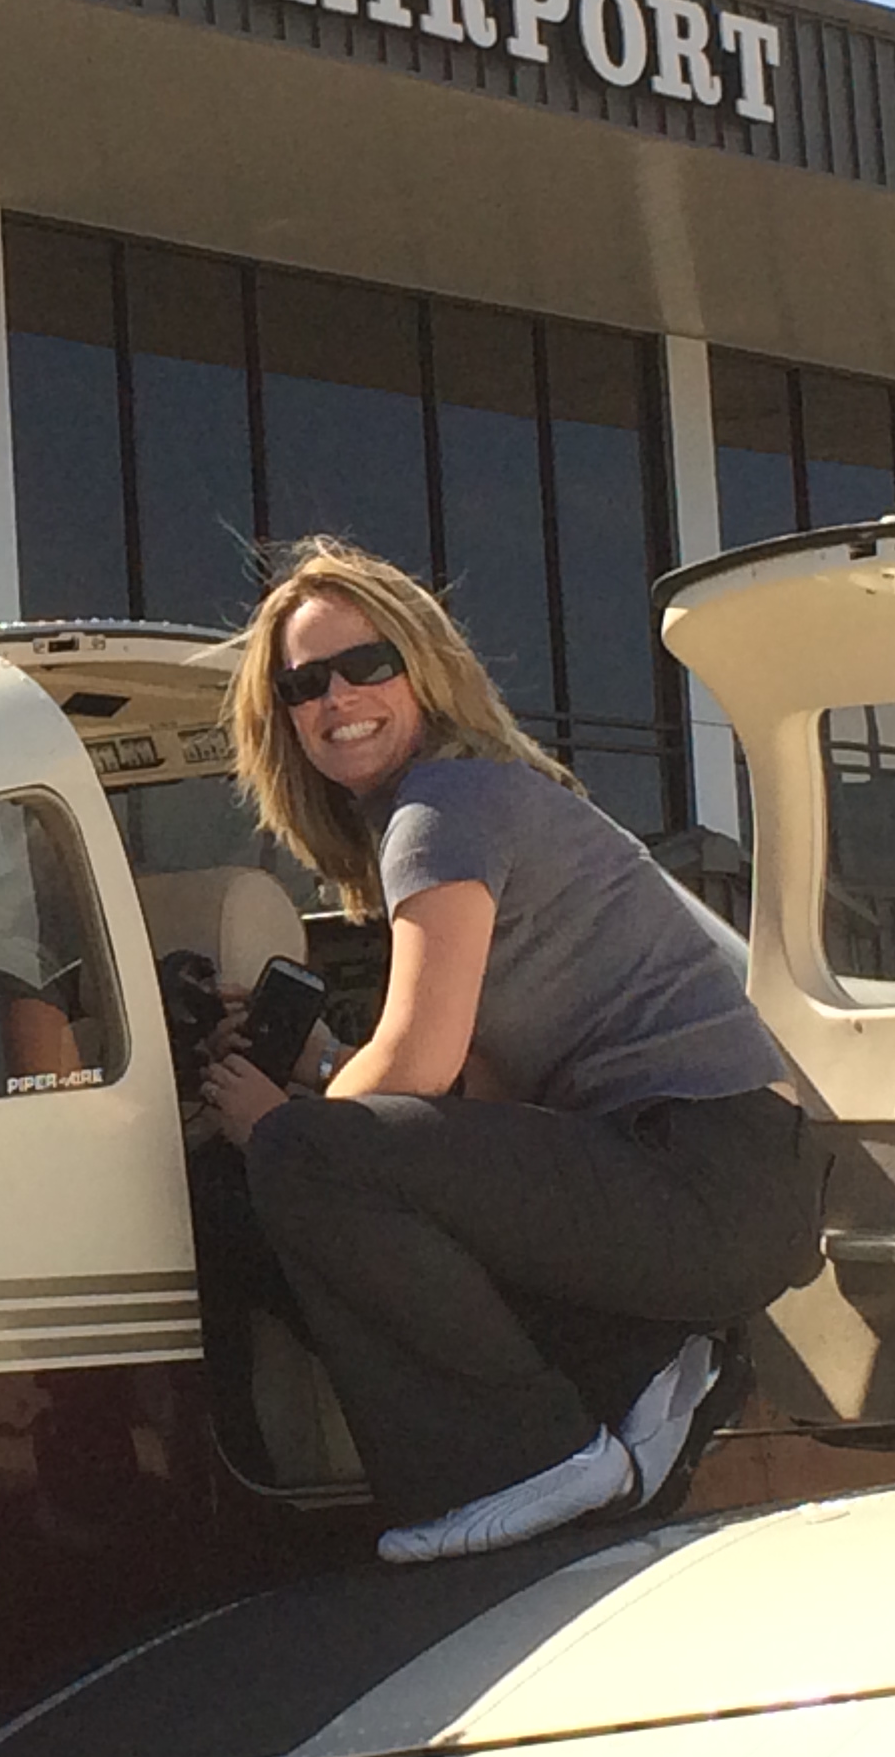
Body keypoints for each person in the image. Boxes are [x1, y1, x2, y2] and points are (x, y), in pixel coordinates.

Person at [196, 539, 819, 1564]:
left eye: (367, 664)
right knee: (301, 1171)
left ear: (423, 667)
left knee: (295, 1163)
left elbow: (419, 1066)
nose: (337, 698)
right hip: (717, 1180)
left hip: (702, 1174)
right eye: (304, 683)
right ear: (283, 718)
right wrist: (311, 1070)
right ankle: (634, 1372)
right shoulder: (466, 801)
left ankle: (530, 1461)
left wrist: (281, 1123)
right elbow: (472, 1100)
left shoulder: (440, 813)